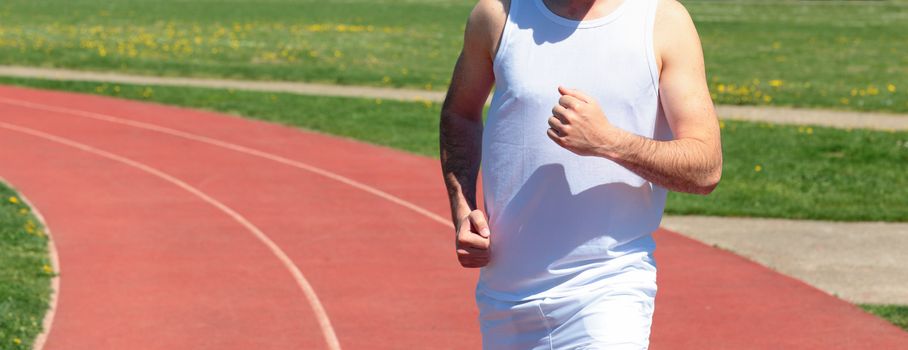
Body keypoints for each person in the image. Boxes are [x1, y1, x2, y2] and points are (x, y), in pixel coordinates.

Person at [439, 0, 722, 348]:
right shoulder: (499, 15)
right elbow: (461, 113)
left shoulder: (662, 21)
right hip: (505, 298)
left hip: (609, 290)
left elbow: (706, 167)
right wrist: (462, 206)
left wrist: (608, 141)